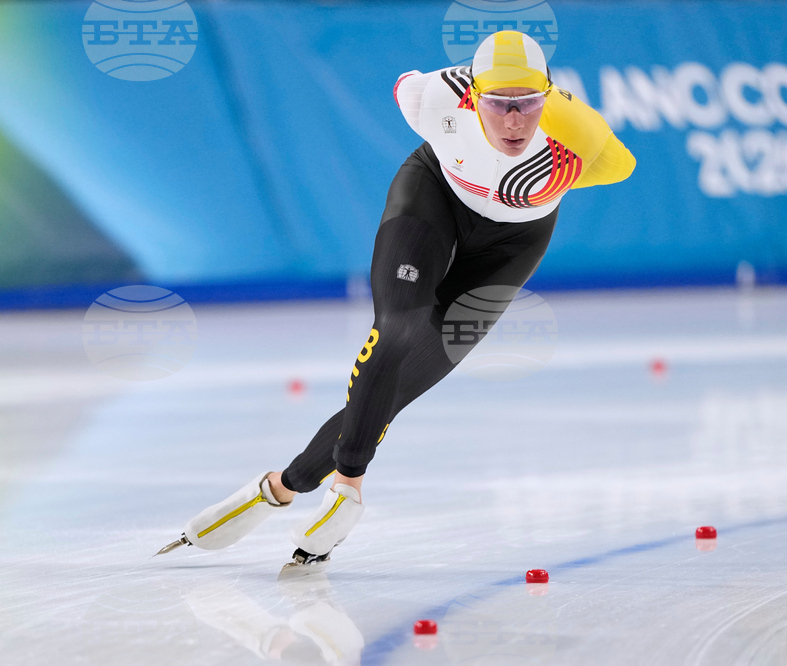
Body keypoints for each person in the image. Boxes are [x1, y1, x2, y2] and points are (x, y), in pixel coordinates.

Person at [157, 31, 635, 570]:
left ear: (546, 96)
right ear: (473, 94)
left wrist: (550, 165)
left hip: (513, 243)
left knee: (400, 388)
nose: (514, 121)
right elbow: (403, 85)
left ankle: (279, 487)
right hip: (433, 197)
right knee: (398, 326)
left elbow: (622, 166)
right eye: (499, 103)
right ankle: (348, 488)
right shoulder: (436, 98)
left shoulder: (575, 135)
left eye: (527, 103)